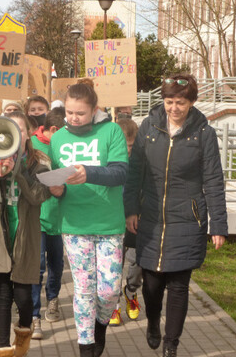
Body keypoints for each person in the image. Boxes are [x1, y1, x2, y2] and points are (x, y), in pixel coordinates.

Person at [124, 74, 227, 357]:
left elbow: (214, 181)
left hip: (188, 219)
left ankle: (172, 344)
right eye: (169, 101)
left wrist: (217, 224)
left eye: (180, 102)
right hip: (151, 217)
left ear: (192, 102)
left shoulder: (204, 134)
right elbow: (135, 173)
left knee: (179, 286)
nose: (174, 108)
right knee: (153, 284)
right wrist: (131, 209)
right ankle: (153, 321)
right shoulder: (148, 127)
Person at [48, 83, 128, 357]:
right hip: (74, 225)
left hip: (108, 224)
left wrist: (89, 174)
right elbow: (55, 180)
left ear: (94, 110)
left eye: (80, 113)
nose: (73, 118)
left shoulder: (111, 131)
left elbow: (120, 173)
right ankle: (86, 346)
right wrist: (56, 190)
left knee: (108, 292)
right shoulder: (57, 138)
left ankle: (100, 326)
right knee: (83, 290)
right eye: (69, 112)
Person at [0, 111, 51, 357]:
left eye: (19, 129)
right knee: (2, 295)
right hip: (0, 236)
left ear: (29, 134)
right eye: (10, 128)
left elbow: (38, 196)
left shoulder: (39, 163)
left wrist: (18, 172)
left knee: (23, 298)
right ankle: (2, 347)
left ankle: (23, 330)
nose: (15, 133)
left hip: (26, 239)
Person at [30, 107, 66, 340]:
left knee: (56, 264)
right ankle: (33, 315)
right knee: (37, 267)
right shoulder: (31, 145)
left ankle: (52, 300)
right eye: (64, 133)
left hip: (60, 218)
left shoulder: (65, 146)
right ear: (53, 129)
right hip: (36, 217)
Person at [109, 118, 142, 327]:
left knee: (140, 261)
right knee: (114, 264)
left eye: (130, 146)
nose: (126, 151)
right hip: (113, 219)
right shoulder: (110, 161)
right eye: (123, 146)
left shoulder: (140, 162)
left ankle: (131, 290)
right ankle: (113, 304)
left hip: (138, 218)